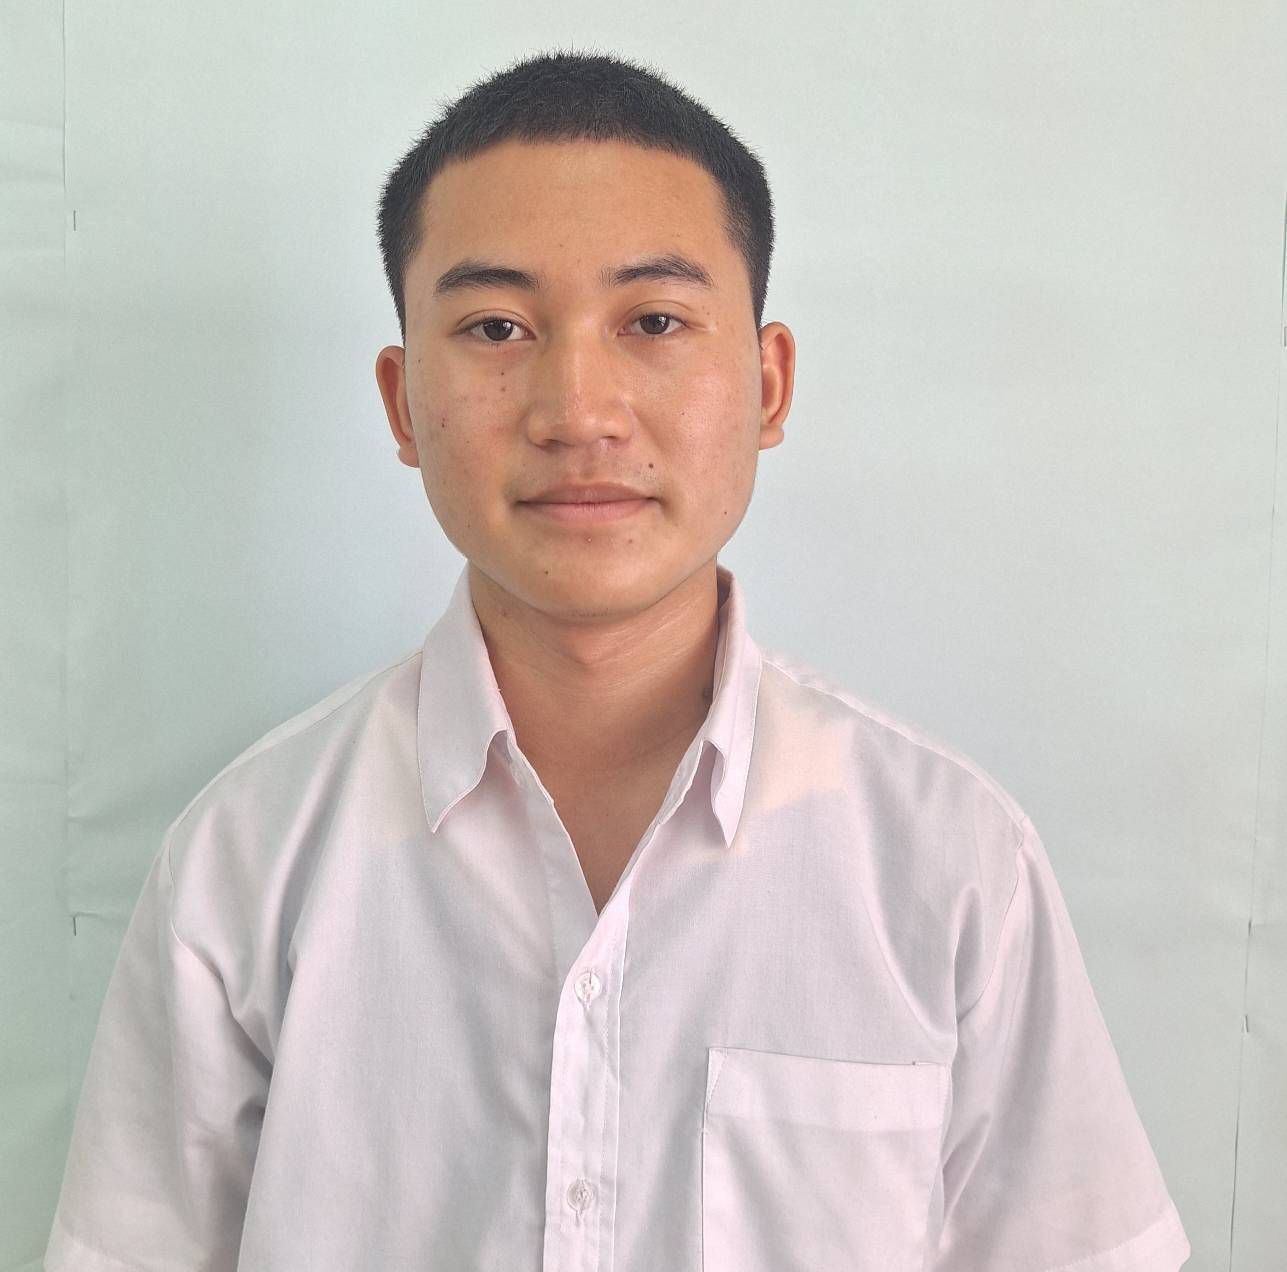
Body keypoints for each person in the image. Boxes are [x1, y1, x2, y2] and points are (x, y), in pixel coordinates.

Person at [44, 47, 1191, 1271]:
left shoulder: (954, 865)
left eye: (653, 321)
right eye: (496, 327)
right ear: (401, 401)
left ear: (767, 385)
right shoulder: (245, 861)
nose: (578, 411)